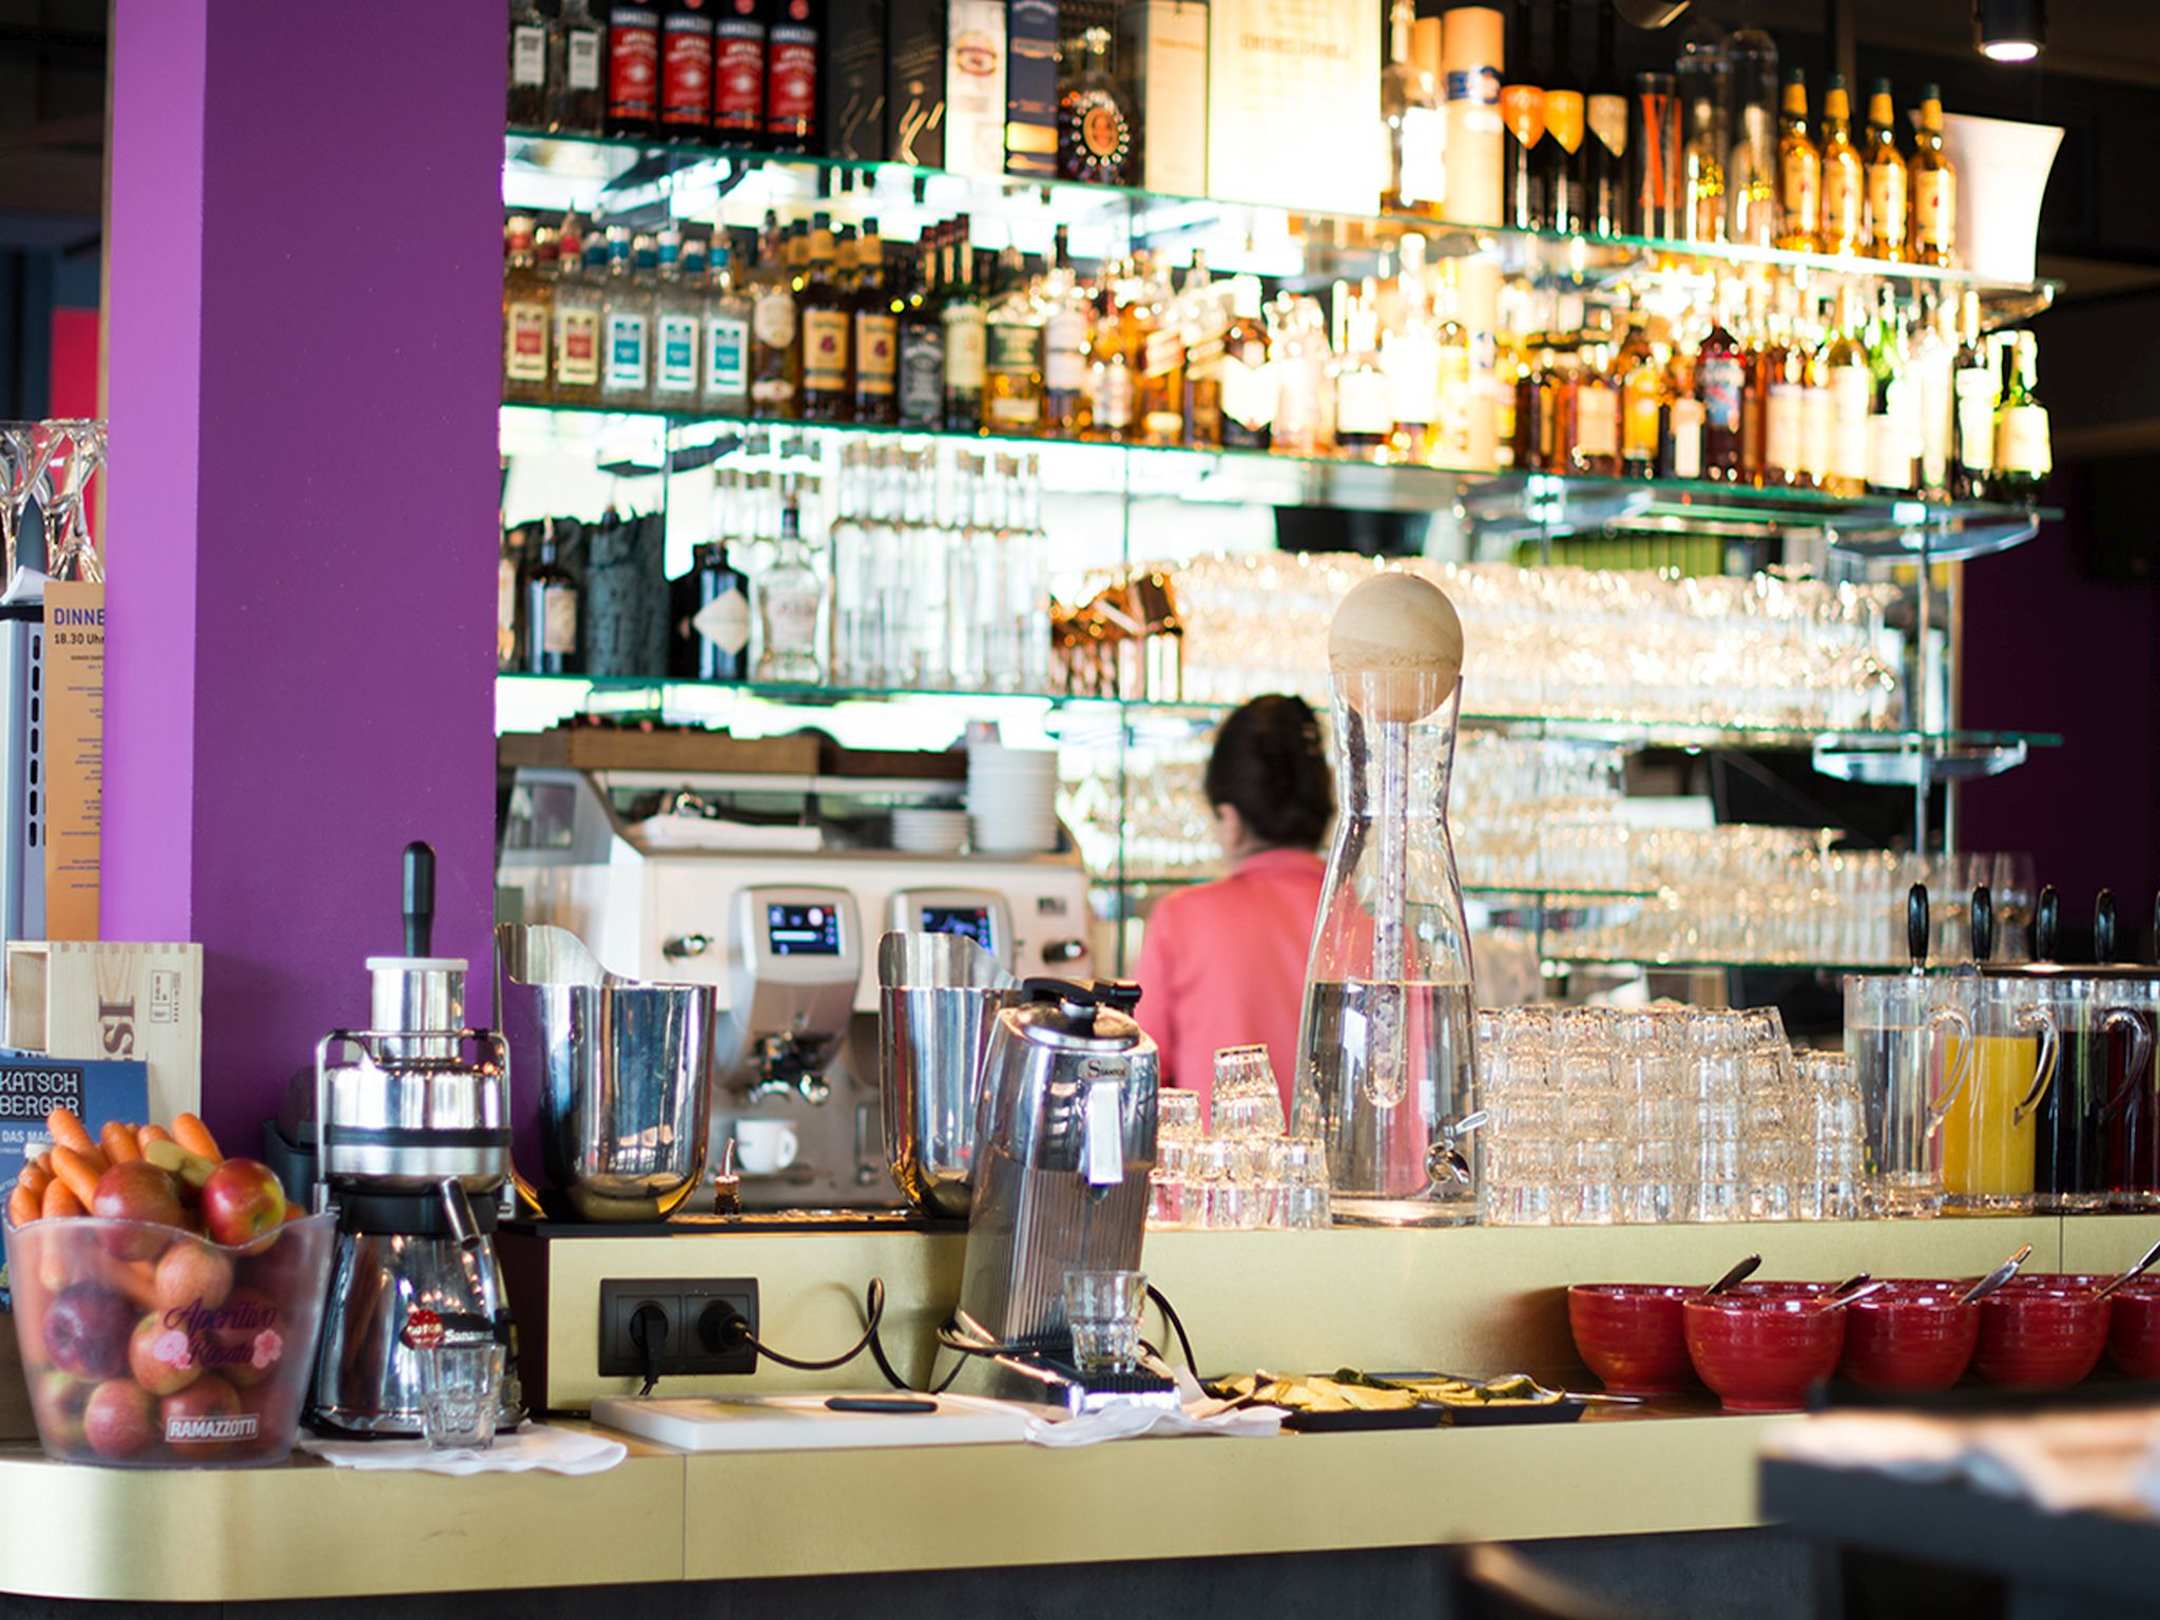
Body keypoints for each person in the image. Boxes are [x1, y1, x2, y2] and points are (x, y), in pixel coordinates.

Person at [1134, 694, 1332, 1119]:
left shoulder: (1183, 919)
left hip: (1215, 1162)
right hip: (1345, 1166)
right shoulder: (1371, 924)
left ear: (1231, 819)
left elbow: (1141, 1089)